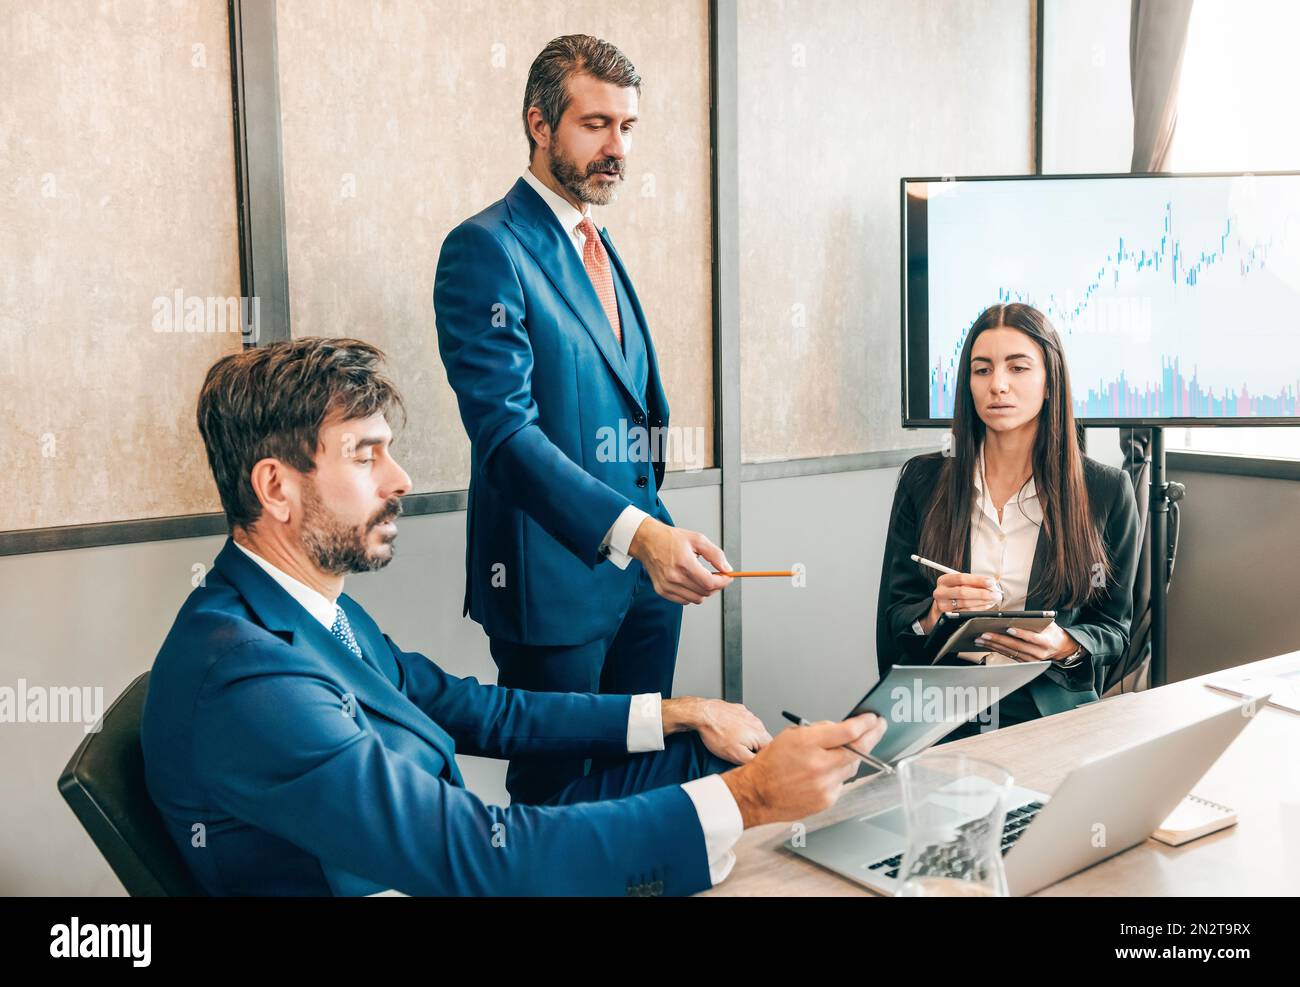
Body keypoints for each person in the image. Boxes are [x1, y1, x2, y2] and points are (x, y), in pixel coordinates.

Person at [141, 337, 888, 896]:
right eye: (367, 456)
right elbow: (479, 852)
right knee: (739, 808)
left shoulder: (307, 608)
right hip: (456, 870)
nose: (400, 480)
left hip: (462, 860)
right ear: (275, 487)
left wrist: (674, 713)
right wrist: (749, 799)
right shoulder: (247, 672)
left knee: (711, 758)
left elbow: (478, 709)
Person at [434, 35, 729, 805]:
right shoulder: (483, 250)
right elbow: (506, 438)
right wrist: (642, 532)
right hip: (553, 590)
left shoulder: (599, 243)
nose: (617, 148)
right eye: (596, 124)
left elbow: (630, 405)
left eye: (628, 128)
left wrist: (661, 527)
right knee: (557, 799)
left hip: (645, 588)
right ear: (539, 123)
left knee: (635, 789)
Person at [876, 303, 1140, 734]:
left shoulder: (1105, 491)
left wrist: (1065, 644)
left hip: (1045, 701)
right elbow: (893, 622)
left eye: (1018, 368)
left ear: (1050, 380)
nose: (997, 385)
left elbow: (1114, 627)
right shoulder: (923, 480)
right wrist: (933, 611)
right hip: (941, 704)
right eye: (982, 370)